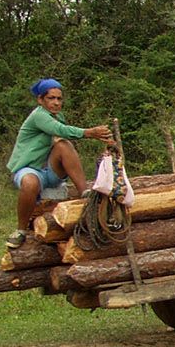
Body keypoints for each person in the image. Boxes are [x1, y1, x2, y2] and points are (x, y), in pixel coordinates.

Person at [6, 78, 113, 248]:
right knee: (30, 182)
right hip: (29, 170)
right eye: (51, 98)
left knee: (64, 145)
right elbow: (60, 130)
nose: (56, 103)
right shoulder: (39, 116)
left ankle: (84, 191)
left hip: (49, 171)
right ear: (40, 100)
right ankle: (20, 230)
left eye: (59, 99)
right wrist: (89, 132)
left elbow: (60, 138)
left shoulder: (58, 116)